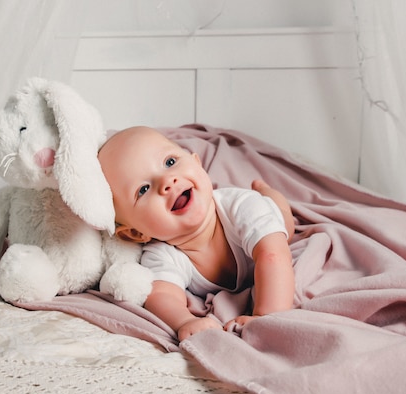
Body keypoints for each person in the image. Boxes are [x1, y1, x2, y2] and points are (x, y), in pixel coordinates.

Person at [98, 126, 295, 341]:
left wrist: (265, 316)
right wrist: (185, 321)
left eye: (170, 162)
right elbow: (162, 295)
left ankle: (267, 191)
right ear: (136, 234)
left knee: (285, 222)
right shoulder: (161, 254)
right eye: (143, 189)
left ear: (197, 163)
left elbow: (273, 256)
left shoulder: (244, 207)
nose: (166, 182)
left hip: (263, 217)